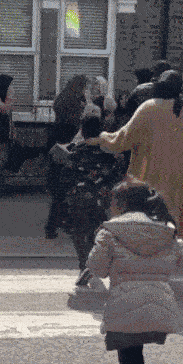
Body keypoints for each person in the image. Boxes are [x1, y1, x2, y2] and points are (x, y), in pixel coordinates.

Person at [86, 70, 183, 251]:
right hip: (181, 181)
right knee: (177, 223)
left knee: (148, 219)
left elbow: (122, 139)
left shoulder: (148, 108)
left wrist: (101, 137)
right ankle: (176, 257)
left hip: (149, 179)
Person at [86, 177, 183, 364]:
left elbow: (97, 268)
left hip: (124, 305)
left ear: (119, 204)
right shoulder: (166, 231)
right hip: (160, 305)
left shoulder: (109, 231)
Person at [61, 116, 126, 279]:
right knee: (96, 233)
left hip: (79, 198)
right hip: (102, 199)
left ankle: (84, 264)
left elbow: (65, 176)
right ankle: (96, 263)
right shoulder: (109, 151)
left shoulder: (75, 150)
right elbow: (118, 173)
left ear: (82, 131)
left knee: (79, 232)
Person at [44, 75, 89, 238]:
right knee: (65, 187)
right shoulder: (75, 101)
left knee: (60, 187)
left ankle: (60, 223)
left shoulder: (63, 96)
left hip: (57, 142)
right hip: (67, 142)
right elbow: (76, 120)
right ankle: (57, 224)